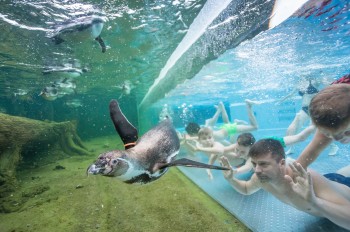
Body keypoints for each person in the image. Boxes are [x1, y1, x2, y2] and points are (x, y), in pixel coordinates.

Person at [220, 139, 350, 230]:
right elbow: (247, 188)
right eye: (254, 164)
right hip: (330, 185)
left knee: (340, 178)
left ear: (282, 163)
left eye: (264, 164)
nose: (257, 170)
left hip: (344, 188)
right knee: (337, 176)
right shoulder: (261, 178)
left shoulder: (304, 179)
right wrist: (231, 179)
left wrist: (315, 202)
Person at [277, 78, 338, 155]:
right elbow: (291, 94)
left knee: (314, 130)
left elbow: (328, 86)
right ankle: (292, 148)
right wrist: (282, 100)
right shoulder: (300, 83)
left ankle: (333, 146)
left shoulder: (315, 81)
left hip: (315, 109)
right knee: (294, 128)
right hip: (304, 109)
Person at [297, 81, 350, 169]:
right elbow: (303, 162)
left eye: (347, 132)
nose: (336, 139)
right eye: (327, 133)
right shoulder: (330, 113)